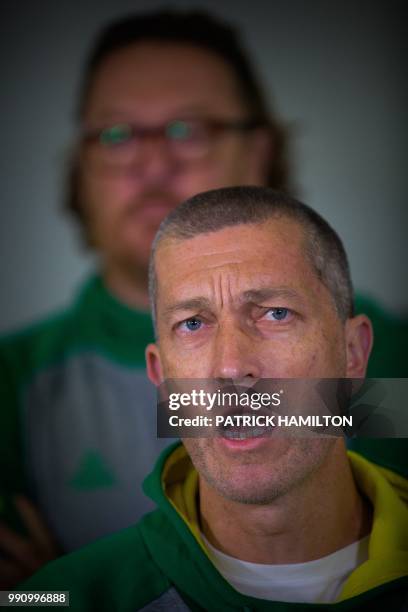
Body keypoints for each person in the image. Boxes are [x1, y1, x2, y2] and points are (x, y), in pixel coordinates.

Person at [0, 9, 406, 587]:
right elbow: (28, 600)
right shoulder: (13, 380)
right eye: (116, 135)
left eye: (188, 130)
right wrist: (65, 594)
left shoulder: (388, 355)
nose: (152, 164)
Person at [21, 187, 408, 609]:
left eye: (275, 313)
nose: (231, 366)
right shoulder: (59, 596)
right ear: (161, 377)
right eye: (192, 323)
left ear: (353, 353)